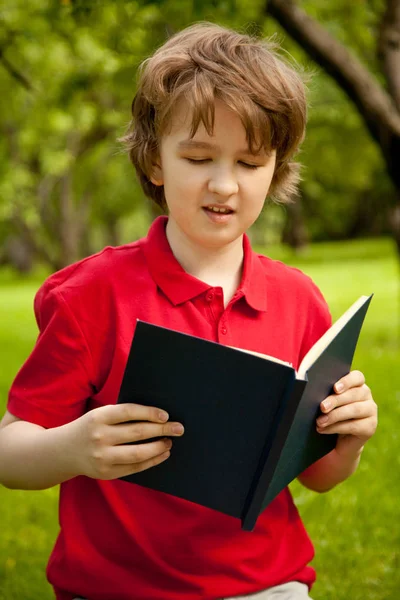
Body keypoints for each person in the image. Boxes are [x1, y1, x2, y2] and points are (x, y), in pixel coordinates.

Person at [0, 22, 377, 600]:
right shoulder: (90, 295)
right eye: (199, 157)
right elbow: (10, 452)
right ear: (155, 161)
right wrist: (69, 449)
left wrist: (346, 440)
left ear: (276, 168)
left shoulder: (299, 299)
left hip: (266, 584)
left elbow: (319, 477)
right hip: (116, 588)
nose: (224, 185)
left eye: (250, 163)